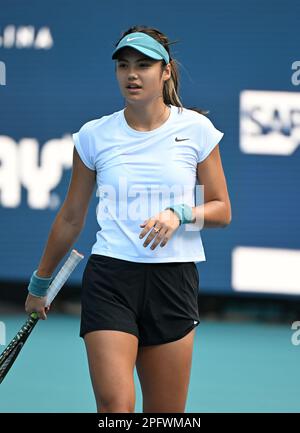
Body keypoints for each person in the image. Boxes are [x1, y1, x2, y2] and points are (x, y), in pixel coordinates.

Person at [25, 25, 231, 413]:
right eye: (123, 66)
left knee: (166, 415)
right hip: (110, 279)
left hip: (173, 280)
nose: (132, 74)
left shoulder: (197, 130)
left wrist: (180, 214)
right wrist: (40, 283)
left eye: (143, 65)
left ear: (165, 72)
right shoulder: (93, 136)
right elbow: (71, 216)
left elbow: (221, 210)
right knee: (115, 407)